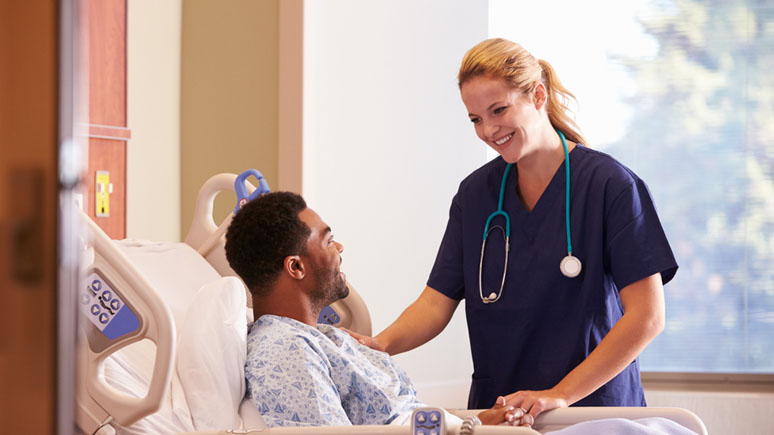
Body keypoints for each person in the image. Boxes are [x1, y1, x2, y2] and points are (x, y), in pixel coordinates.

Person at [347, 38, 678, 423]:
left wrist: (559, 395)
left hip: (592, 412)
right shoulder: (476, 195)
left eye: (498, 109)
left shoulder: (610, 186)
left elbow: (647, 316)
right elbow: (435, 302)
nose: (488, 129)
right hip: (502, 413)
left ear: (538, 95)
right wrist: (380, 344)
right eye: (475, 119)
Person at [224, 191, 528, 427]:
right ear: (296, 267)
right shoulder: (286, 352)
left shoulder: (325, 338)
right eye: (328, 241)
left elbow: (402, 419)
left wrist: (473, 425)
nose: (339, 248)